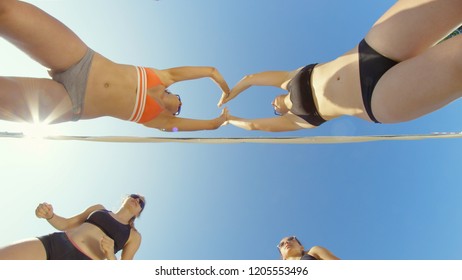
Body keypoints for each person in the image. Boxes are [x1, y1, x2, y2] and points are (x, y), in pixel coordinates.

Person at [219, 0, 462, 132]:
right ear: (279, 114)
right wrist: (230, 120)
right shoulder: (296, 120)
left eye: (273, 102)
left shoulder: (288, 78)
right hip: (375, 100)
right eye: (274, 110)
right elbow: (253, 125)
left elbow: (250, 77)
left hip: (371, 49)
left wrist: (229, 93)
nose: (273, 104)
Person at [0, 0, 230, 132]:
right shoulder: (164, 77)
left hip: (73, 104)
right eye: (180, 101)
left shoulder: (160, 120)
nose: (178, 105)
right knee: (7, 11)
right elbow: (211, 71)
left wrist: (221, 120)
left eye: (179, 110)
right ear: (174, 93)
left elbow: (211, 125)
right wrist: (225, 90)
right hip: (81, 60)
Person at [0, 194, 146, 260]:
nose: (137, 200)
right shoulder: (99, 208)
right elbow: (67, 224)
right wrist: (49, 215)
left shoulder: (134, 236)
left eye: (141, 203)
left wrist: (110, 255)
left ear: (139, 213)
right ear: (125, 198)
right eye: (134, 196)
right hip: (57, 243)